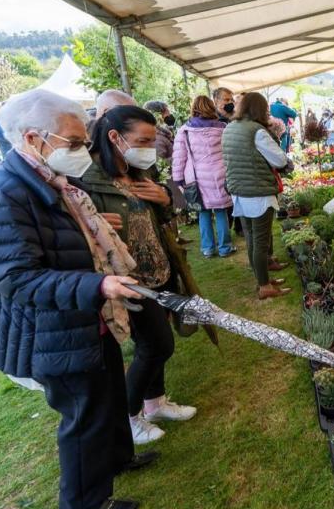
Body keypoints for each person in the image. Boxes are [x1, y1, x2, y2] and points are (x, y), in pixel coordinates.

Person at [0, 89, 155, 509]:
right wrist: (98, 283)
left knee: (106, 394)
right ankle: (82, 506)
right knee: (82, 410)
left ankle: (118, 457)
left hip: (84, 316)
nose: (83, 152)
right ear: (33, 138)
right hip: (51, 327)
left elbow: (61, 239)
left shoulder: (47, 176)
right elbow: (15, 279)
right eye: (72, 143)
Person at [77, 105, 198, 445]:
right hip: (129, 281)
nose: (150, 147)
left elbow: (166, 212)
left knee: (154, 344)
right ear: (114, 137)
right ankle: (128, 418)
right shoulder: (88, 181)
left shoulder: (137, 169)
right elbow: (77, 231)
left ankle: (155, 403)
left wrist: (163, 198)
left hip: (158, 268)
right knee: (157, 345)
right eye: (143, 140)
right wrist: (90, 224)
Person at [222, 92, 292, 299]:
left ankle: (262, 280)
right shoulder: (256, 131)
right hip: (257, 191)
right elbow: (279, 160)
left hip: (239, 191)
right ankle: (264, 286)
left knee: (252, 239)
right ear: (259, 109)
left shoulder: (230, 128)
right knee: (260, 241)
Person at [172, 96, 234, 258]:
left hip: (197, 179)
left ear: (194, 108)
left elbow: (179, 157)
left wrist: (178, 179)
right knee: (221, 212)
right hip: (221, 174)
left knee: (203, 213)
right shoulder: (223, 128)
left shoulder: (185, 130)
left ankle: (207, 248)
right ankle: (225, 248)